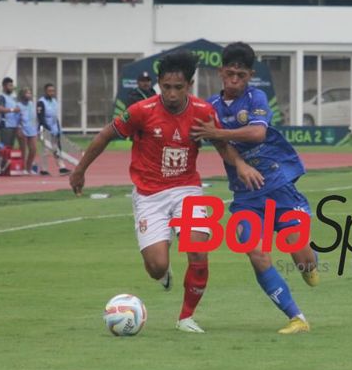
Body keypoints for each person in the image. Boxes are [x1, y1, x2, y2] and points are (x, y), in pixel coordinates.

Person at [70, 50, 264, 333]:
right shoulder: (141, 112)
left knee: (198, 249)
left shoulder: (202, 112)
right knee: (156, 266)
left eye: (179, 88)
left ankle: (186, 317)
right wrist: (79, 170)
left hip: (186, 189)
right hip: (149, 194)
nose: (172, 94)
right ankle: (163, 273)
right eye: (166, 87)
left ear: (190, 85)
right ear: (159, 83)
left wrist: (240, 164)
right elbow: (105, 135)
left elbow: (221, 144)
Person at [191, 42, 318, 335]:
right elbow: (222, 146)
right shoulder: (210, 107)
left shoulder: (256, 97)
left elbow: (258, 133)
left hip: (278, 187)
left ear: (249, 75)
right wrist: (240, 165)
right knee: (255, 252)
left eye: (241, 75)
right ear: (221, 71)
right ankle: (297, 318)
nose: (234, 80)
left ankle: (311, 265)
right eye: (230, 74)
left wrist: (217, 132)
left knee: (301, 257)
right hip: (247, 197)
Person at [37, 83, 70, 176]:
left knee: (57, 148)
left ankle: (62, 167)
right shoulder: (41, 102)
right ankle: (44, 170)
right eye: (49, 91)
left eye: (53, 91)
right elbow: (41, 118)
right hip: (44, 128)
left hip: (54, 129)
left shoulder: (55, 101)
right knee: (45, 150)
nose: (51, 93)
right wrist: (48, 129)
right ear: (45, 91)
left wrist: (58, 129)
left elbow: (55, 117)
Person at [16, 87, 39, 174]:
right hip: (23, 129)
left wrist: (37, 128)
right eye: (27, 93)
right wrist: (19, 129)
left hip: (32, 129)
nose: (29, 95)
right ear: (22, 95)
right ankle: (23, 168)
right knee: (23, 150)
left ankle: (29, 168)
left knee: (33, 149)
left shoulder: (32, 104)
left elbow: (35, 117)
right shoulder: (18, 105)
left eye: (30, 93)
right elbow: (17, 119)